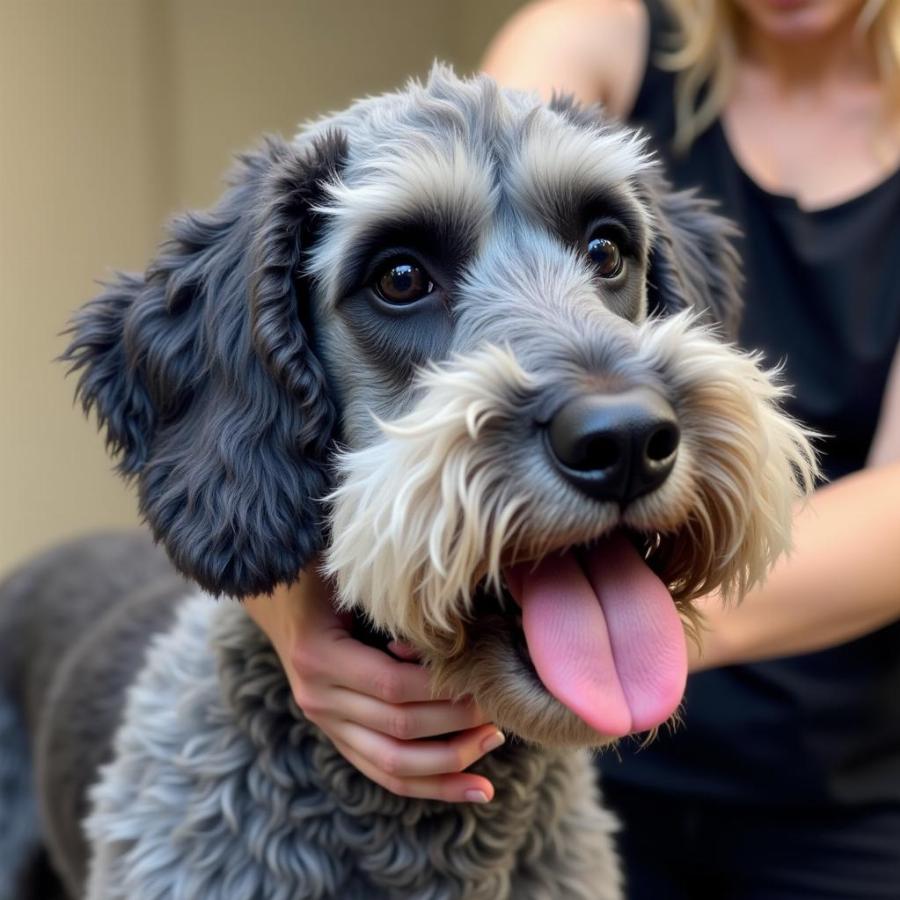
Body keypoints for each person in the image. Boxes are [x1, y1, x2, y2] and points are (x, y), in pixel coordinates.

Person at [246, 0, 900, 894]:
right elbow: (447, 184)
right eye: (406, 283)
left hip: (838, 794)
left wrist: (617, 641)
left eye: (604, 254)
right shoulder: (598, 32)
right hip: (558, 782)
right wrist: (288, 606)